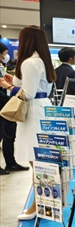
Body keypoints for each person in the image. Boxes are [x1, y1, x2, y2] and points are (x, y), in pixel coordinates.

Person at [9, 27, 56, 219]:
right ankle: (43, 202)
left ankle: (38, 205)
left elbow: (27, 94)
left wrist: (8, 86)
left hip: (34, 112)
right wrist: (13, 83)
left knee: (37, 160)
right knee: (40, 160)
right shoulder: (42, 61)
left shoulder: (30, 62)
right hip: (41, 109)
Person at [0, 41, 30, 175]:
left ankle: (10, 162)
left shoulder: (3, 67)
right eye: (5, 53)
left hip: (8, 106)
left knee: (9, 134)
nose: (6, 56)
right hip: (4, 105)